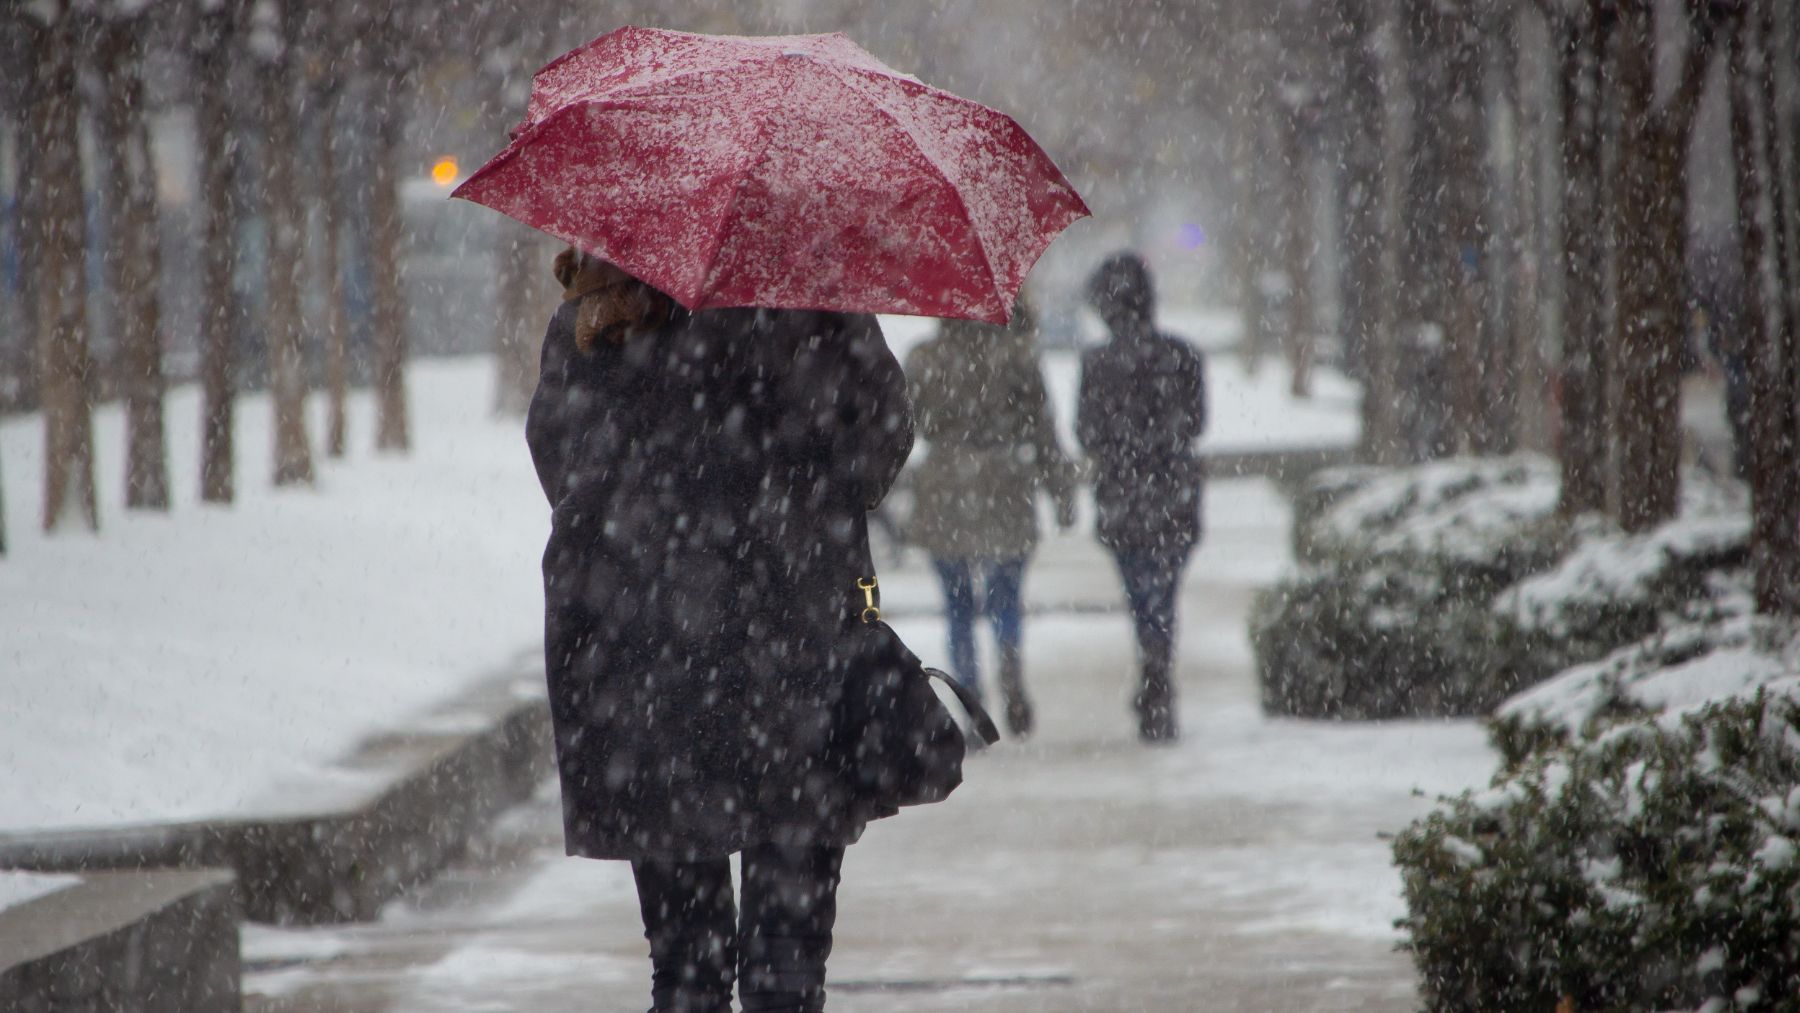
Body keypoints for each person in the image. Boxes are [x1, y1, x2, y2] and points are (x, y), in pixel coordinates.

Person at [525, 249, 913, 1013]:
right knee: (787, 963)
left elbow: (562, 473)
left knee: (686, 969)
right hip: (796, 654)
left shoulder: (598, 308)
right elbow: (878, 451)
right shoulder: (816, 300)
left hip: (640, 663)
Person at [903, 300, 1077, 737]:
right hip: (1006, 484)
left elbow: (904, 427)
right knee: (1006, 596)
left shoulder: (924, 360)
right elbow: (1044, 430)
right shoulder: (1017, 357)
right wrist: (1061, 492)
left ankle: (970, 700)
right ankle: (1010, 666)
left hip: (944, 486)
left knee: (957, 605)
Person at [1076, 252, 1207, 743]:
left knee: (1140, 594)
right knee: (1165, 592)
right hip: (1174, 490)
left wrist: (1121, 442)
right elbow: (1197, 423)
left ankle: (1152, 667)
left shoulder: (1097, 363)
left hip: (1123, 493)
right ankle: (1157, 670)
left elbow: (1087, 432)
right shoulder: (1184, 354)